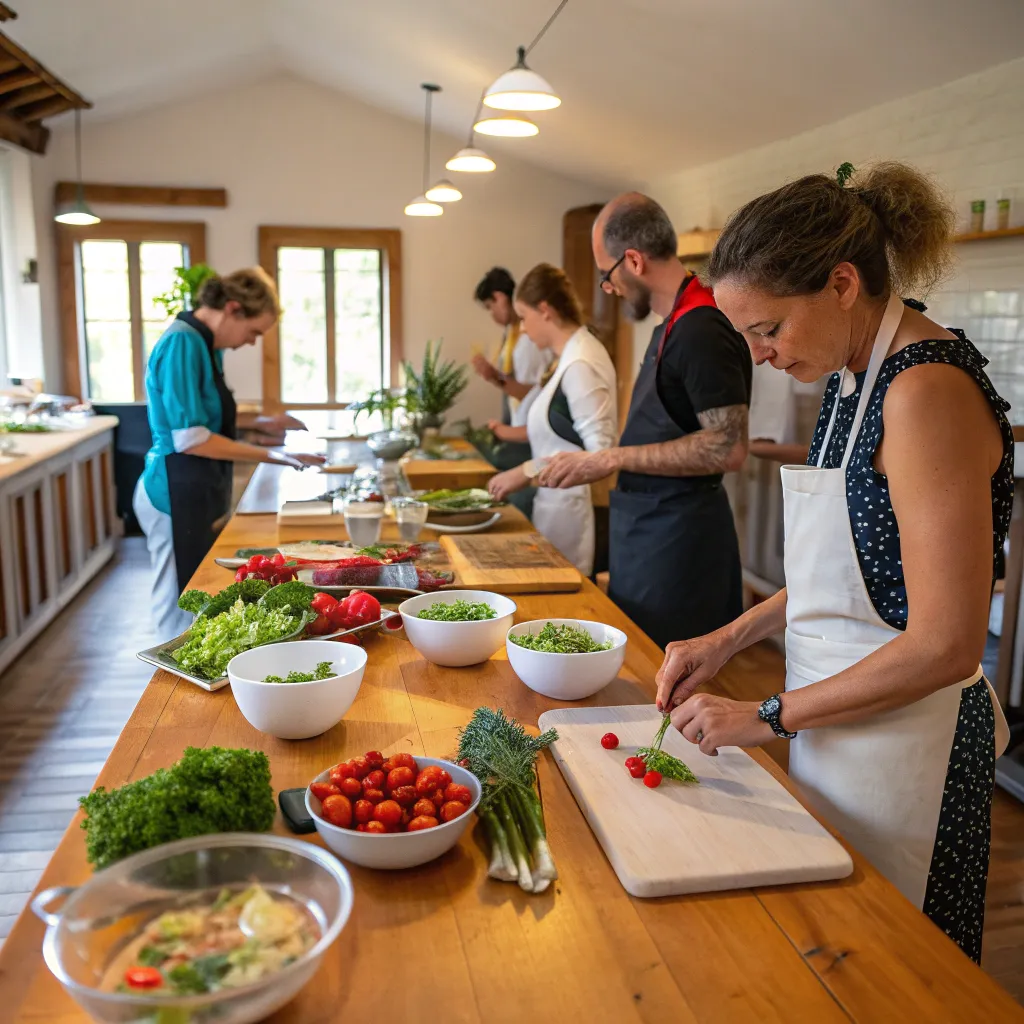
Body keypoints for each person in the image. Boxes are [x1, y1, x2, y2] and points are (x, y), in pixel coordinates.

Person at [654, 162, 1012, 963]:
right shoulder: (856, 378)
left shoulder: (924, 393)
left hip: (908, 748)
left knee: (900, 973)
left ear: (843, 283)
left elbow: (946, 645)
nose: (760, 354)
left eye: (768, 329)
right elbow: (846, 573)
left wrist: (766, 717)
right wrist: (728, 640)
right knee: (833, 955)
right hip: (837, 723)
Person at [539, 194, 751, 648]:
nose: (608, 288)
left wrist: (609, 458)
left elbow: (728, 447)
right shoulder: (672, 323)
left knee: (670, 688)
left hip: (680, 546)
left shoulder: (700, 328)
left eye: (606, 275)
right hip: (649, 535)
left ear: (633, 260)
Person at [133, 268, 324, 637]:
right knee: (178, 603)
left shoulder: (205, 344)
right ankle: (167, 690)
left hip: (193, 487)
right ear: (233, 309)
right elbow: (190, 437)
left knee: (196, 598)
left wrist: (264, 423)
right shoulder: (183, 342)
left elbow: (208, 417)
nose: (252, 342)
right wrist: (276, 456)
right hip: (171, 490)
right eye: (254, 331)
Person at [486, 264, 617, 575]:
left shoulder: (581, 361)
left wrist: (526, 470)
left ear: (544, 310)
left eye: (523, 317)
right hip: (557, 508)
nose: (523, 328)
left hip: (578, 513)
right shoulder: (568, 357)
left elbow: (601, 454)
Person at [471, 267, 552, 518]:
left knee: (519, 502)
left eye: (490, 306)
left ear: (500, 298)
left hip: (527, 432)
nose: (492, 314)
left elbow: (532, 392)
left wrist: (495, 377)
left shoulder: (527, 340)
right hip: (520, 426)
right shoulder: (513, 334)